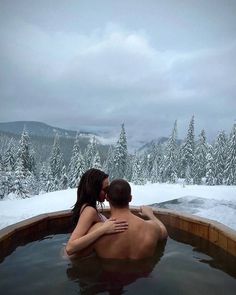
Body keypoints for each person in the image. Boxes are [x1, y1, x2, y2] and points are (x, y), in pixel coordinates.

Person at [86, 179, 168, 260]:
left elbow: (76, 255)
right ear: (130, 198)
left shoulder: (96, 230)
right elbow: (164, 232)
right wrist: (151, 215)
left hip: (109, 272)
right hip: (144, 273)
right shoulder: (152, 228)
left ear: (107, 198)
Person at [66, 169, 128, 257]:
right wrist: (103, 229)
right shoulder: (89, 211)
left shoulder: (87, 207)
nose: (108, 193)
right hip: (75, 260)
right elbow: (70, 248)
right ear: (94, 189)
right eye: (105, 189)